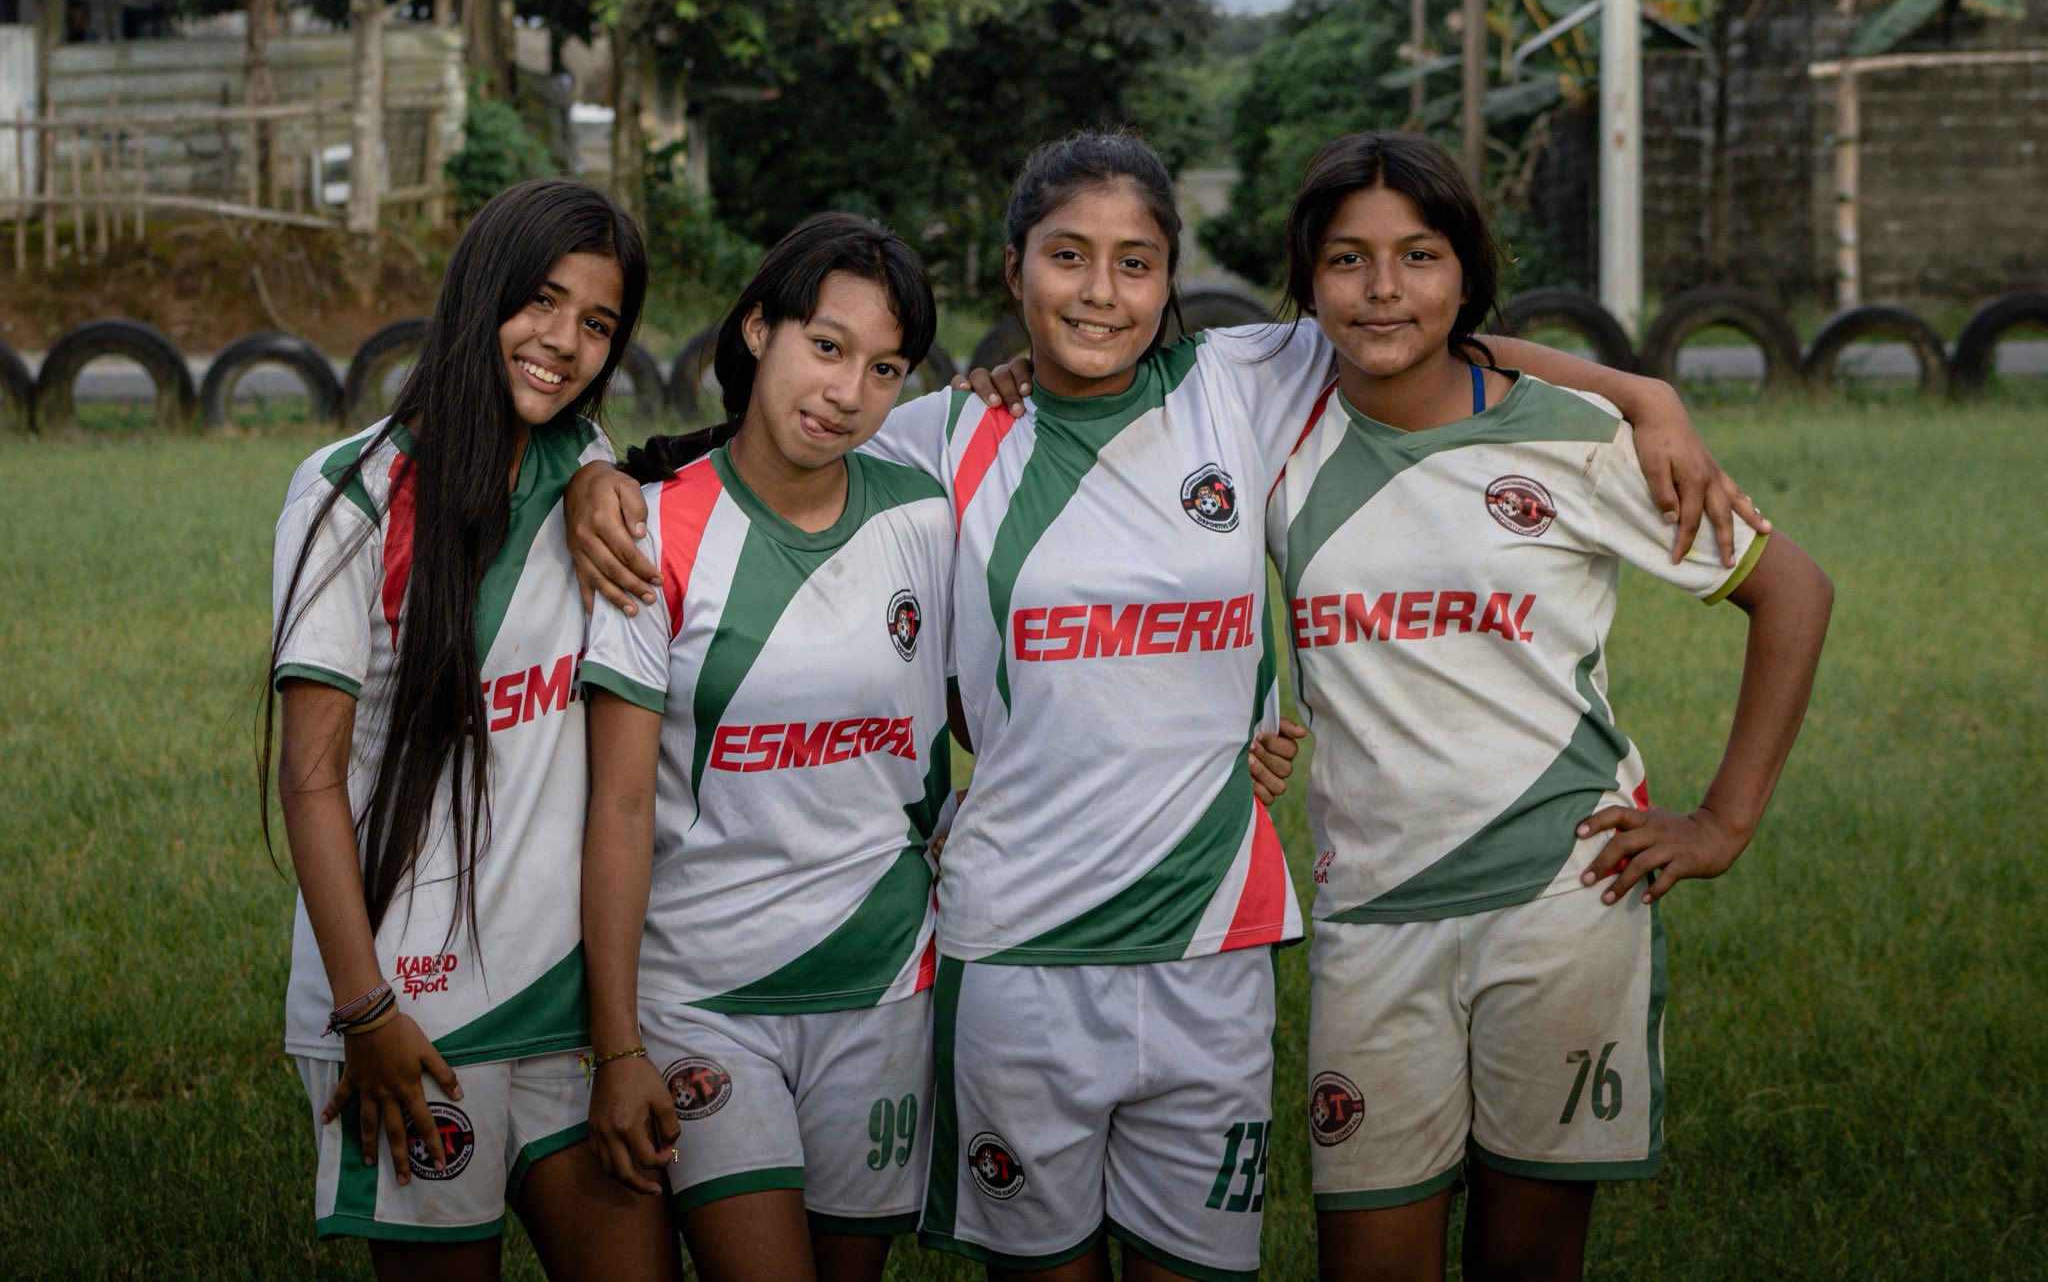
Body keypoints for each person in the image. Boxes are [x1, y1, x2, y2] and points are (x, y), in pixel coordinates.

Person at [568, 132, 1759, 1282]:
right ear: (1013, 268)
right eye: (1066, 256)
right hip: (1015, 947)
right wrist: (603, 475)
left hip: (1211, 942)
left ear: (1170, 279)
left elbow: (1409, 325)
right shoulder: (944, 432)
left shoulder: (1240, 381)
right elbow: (778, 450)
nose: (1100, 291)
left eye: (1134, 263)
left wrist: (1635, 388)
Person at [1262, 131, 1831, 1282]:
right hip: (1372, 909)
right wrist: (1000, 375)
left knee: (1525, 1257)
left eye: (1419, 255)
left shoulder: (1573, 438)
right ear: (1307, 281)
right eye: (1345, 258)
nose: (1381, 288)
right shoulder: (1270, 423)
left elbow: (1792, 590)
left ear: (1466, 271)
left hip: (1562, 901)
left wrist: (1721, 821)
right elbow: (1111, 360)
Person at [264, 178, 678, 1280]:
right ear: (478, 292)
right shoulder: (351, 492)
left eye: (599, 322)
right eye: (541, 300)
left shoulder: (590, 482)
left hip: (568, 1004)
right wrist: (366, 1012)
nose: (564, 341)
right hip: (411, 1010)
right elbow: (308, 780)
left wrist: (597, 468)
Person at [576, 213, 958, 1282]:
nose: (847, 392)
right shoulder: (652, 530)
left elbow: (1009, 709)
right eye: (826, 347)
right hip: (703, 995)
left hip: (884, 986)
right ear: (757, 329)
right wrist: (617, 1044)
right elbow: (617, 810)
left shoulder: (927, 519)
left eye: (884, 369)